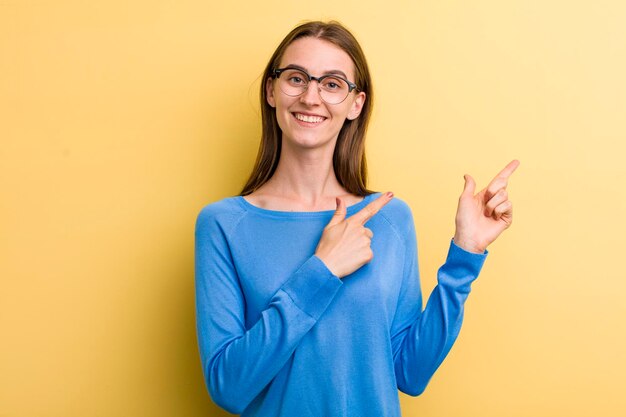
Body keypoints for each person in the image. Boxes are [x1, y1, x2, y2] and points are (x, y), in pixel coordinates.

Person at [195, 20, 518, 417]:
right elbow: (228, 386)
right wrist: (322, 269)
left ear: (355, 104)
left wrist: (465, 257)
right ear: (271, 90)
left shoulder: (389, 217)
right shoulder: (223, 224)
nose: (311, 97)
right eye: (296, 78)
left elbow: (409, 373)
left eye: (332, 84)